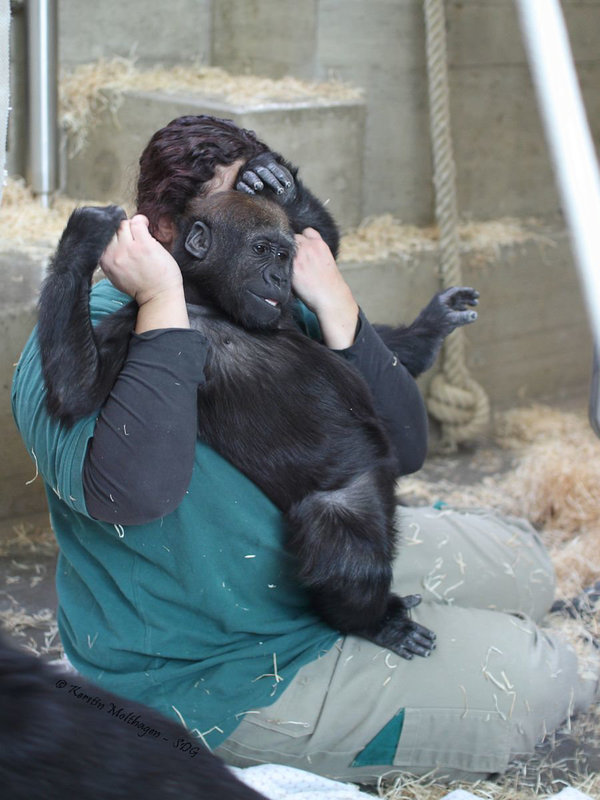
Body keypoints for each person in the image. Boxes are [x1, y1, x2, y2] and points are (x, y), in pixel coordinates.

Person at [12, 115, 599, 784]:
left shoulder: (261, 284)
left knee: (528, 563)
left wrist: (337, 299)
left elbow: (404, 445)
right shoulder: (81, 332)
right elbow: (137, 488)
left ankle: (389, 616)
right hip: (222, 668)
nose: (281, 232)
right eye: (251, 201)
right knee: (542, 674)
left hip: (307, 560)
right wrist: (153, 295)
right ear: (180, 234)